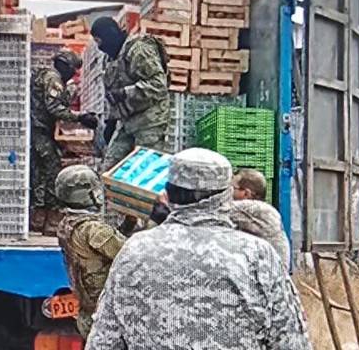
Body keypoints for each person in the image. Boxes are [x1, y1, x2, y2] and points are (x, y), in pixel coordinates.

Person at [87, 147, 310, 350]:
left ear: (168, 193)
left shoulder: (133, 250)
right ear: (225, 195)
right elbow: (291, 342)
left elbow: (104, 341)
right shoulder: (258, 256)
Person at [150, 166, 291, 268]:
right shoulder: (249, 218)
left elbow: (205, 213)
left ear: (246, 194)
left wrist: (171, 204)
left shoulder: (258, 210)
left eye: (231, 188)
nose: (227, 192)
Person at [30, 50, 98, 235]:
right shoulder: (53, 79)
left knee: (40, 174)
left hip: (39, 131)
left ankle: (38, 218)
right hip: (40, 131)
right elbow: (54, 108)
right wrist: (80, 117)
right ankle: (50, 220)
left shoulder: (51, 78)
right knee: (52, 170)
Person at [90, 17, 170, 173]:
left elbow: (159, 85)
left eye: (100, 41)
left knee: (144, 173)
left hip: (149, 122)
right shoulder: (110, 59)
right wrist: (111, 123)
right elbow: (112, 92)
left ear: (110, 35)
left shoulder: (138, 49)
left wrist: (125, 93)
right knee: (109, 171)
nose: (99, 47)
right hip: (127, 122)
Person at [55, 165, 125, 340]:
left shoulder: (67, 224)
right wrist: (154, 221)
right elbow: (134, 254)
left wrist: (128, 224)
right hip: (108, 316)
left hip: (89, 313)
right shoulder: (92, 229)